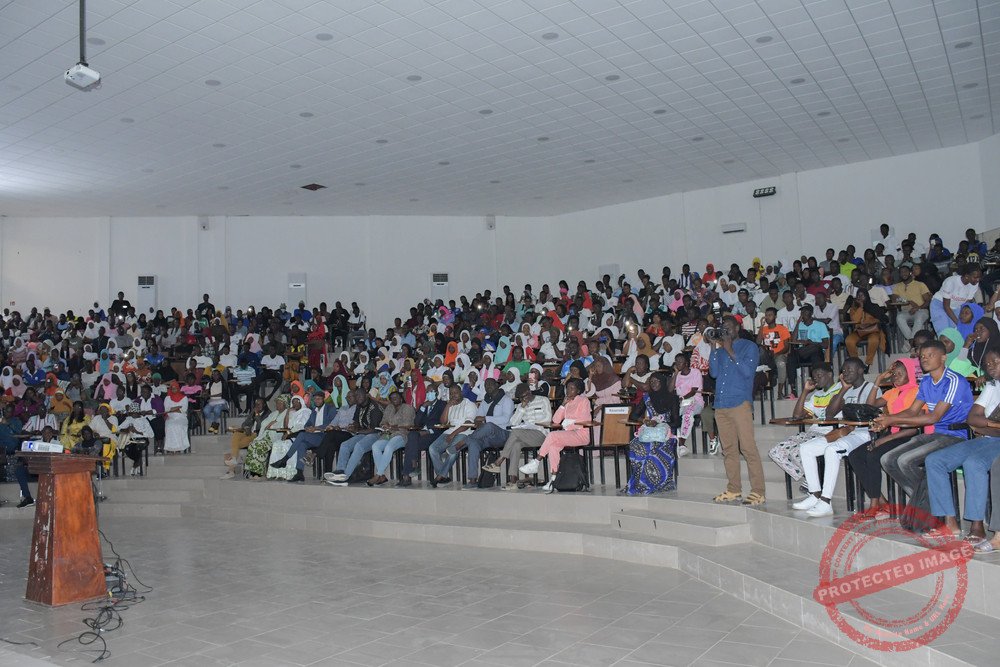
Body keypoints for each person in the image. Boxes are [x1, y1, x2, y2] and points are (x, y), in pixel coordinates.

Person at [874, 340, 974, 528]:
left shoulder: (954, 381)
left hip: (955, 436)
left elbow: (934, 417)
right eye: (922, 356)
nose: (924, 359)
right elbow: (912, 411)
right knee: (887, 459)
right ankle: (924, 503)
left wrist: (892, 420)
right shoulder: (927, 381)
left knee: (905, 461)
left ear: (943, 357)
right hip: (936, 435)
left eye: (930, 355)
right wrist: (887, 419)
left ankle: (925, 506)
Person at [925, 348, 1000, 545]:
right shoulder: (992, 386)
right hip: (985, 438)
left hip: (994, 441)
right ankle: (949, 522)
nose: (991, 366)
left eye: (996, 361)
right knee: (935, 460)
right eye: (987, 363)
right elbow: (972, 418)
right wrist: (992, 425)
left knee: (974, 463)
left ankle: (977, 525)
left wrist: (985, 424)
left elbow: (979, 422)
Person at [792, 358, 880, 518]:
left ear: (861, 371)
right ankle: (815, 495)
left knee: (832, 450)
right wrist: (843, 390)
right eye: (844, 370)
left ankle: (826, 502)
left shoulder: (870, 388)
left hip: (864, 433)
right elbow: (830, 414)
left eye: (849, 370)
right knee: (806, 448)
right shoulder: (845, 389)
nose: (845, 373)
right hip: (847, 431)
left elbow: (869, 412)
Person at [847, 358, 924, 515]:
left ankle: (875, 503)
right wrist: (878, 381)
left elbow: (915, 427)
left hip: (909, 435)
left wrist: (883, 439)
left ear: (910, 374)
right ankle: (881, 500)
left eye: (900, 373)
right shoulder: (892, 392)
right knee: (854, 455)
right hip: (892, 434)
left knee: (873, 455)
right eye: (894, 374)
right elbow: (869, 406)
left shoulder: (917, 392)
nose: (895, 377)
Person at [710, 315, 766, 506]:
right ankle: (734, 489)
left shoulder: (748, 346)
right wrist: (713, 348)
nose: (725, 331)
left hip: (740, 403)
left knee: (748, 448)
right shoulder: (720, 350)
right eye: (722, 328)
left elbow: (748, 372)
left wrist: (730, 350)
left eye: (728, 327)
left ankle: (758, 491)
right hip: (721, 405)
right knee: (729, 450)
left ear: (737, 328)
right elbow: (713, 373)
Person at [769, 363, 842, 485]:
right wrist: (805, 391)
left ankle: (813, 483)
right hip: (814, 432)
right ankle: (812, 478)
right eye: (814, 377)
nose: (816, 379)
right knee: (776, 452)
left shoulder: (840, 389)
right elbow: (797, 415)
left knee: (798, 451)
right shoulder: (816, 395)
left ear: (830, 375)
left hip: (831, 432)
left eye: (819, 375)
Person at [519, 377, 591, 493]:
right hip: (568, 434)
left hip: (581, 434)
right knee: (553, 447)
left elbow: (585, 419)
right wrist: (563, 405)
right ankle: (554, 479)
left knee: (552, 436)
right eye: (567, 388)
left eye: (572, 388)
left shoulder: (584, 401)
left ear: (578, 390)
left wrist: (570, 423)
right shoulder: (567, 401)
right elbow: (556, 420)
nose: (569, 391)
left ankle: (536, 461)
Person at [482, 382, 553, 489]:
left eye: (524, 396)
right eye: (520, 398)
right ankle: (513, 480)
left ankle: (498, 462)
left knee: (515, 432)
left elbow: (548, 419)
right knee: (515, 445)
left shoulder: (543, 400)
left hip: (542, 434)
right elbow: (513, 423)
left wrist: (532, 424)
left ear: (529, 392)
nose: (523, 399)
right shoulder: (521, 405)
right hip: (526, 435)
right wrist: (522, 408)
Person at [624, 371, 679, 495]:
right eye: (651, 381)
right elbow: (633, 416)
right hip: (649, 433)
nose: (653, 384)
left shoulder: (672, 398)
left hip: (665, 435)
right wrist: (645, 420)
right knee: (635, 446)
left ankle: (654, 483)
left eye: (656, 381)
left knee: (651, 448)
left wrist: (661, 423)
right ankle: (638, 483)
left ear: (662, 382)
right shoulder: (647, 397)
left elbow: (676, 422)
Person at [459, 372, 515, 487]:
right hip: (488, 436)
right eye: (485, 386)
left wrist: (485, 419)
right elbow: (478, 419)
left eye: (490, 385)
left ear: (497, 385)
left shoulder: (506, 400)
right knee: (473, 443)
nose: (488, 387)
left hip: (503, 434)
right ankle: (473, 479)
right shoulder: (485, 401)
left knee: (489, 425)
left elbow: (505, 419)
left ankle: (465, 440)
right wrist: (480, 421)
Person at [270, 391, 338, 482]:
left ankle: (284, 460)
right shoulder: (314, 410)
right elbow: (307, 424)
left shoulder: (330, 408)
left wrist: (316, 428)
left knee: (301, 435)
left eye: (319, 399)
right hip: (314, 436)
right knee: (301, 444)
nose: (317, 401)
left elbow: (331, 423)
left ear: (323, 399)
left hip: (325, 436)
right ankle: (299, 473)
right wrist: (308, 428)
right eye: (315, 399)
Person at [323, 391, 384, 486]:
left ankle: (346, 477)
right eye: (356, 395)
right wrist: (353, 426)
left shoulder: (374, 408)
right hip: (363, 433)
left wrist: (357, 431)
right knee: (345, 445)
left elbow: (373, 429)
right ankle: (340, 471)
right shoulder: (359, 406)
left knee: (359, 446)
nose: (357, 397)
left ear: (366, 395)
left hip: (376, 435)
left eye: (359, 394)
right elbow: (356, 421)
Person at [426, 385, 478, 486]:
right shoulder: (451, 405)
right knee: (432, 448)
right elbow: (443, 422)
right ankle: (442, 475)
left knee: (453, 450)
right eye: (451, 393)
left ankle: (440, 476)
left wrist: (453, 434)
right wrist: (447, 406)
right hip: (449, 431)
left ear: (461, 392)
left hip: (464, 433)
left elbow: (467, 425)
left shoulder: (469, 404)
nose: (453, 395)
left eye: (456, 392)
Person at [368, 390, 416, 486]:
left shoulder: (407, 408)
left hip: (402, 434)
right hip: (388, 434)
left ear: (401, 399)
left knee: (389, 447)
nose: (394, 400)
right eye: (392, 398)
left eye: (396, 397)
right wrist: (384, 425)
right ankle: (381, 476)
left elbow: (407, 424)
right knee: (375, 446)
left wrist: (392, 426)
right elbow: (383, 421)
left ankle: (378, 475)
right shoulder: (389, 408)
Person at [786, 304, 829, 397]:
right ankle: (793, 389)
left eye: (806, 311)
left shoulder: (820, 325)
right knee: (790, 358)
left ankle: (819, 386)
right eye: (802, 311)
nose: (803, 313)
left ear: (811, 313)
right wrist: (797, 323)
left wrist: (811, 343)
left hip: (816, 353)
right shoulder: (800, 325)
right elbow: (793, 340)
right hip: (802, 353)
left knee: (815, 350)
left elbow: (826, 344)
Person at [222, 398, 270, 479]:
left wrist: (257, 415)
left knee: (236, 445)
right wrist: (246, 427)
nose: (257, 406)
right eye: (256, 404)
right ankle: (233, 458)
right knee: (236, 434)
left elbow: (261, 427)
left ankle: (231, 470)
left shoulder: (268, 414)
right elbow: (244, 423)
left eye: (259, 404)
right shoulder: (253, 412)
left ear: (264, 405)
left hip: (257, 435)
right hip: (248, 433)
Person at [266, 395, 311, 481]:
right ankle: (277, 473)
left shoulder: (305, 412)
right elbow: (286, 426)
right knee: (276, 444)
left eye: (297, 401)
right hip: (290, 434)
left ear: (301, 402)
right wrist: (287, 412)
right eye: (293, 402)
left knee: (285, 445)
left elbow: (301, 425)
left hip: (299, 435)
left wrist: (289, 432)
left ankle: (289, 473)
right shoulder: (293, 412)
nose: (295, 404)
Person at [930, 264, 981, 333]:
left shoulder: (974, 284)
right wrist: (958, 323)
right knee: (944, 331)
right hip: (940, 304)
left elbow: (966, 303)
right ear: (966, 276)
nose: (978, 280)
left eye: (979, 277)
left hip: (957, 307)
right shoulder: (950, 282)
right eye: (975, 277)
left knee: (956, 332)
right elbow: (946, 306)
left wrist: (963, 320)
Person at [669, 352, 702, 456]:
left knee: (687, 414)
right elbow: (670, 390)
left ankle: (681, 442)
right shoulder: (677, 375)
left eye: (680, 361)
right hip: (681, 403)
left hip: (694, 401)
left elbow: (693, 391)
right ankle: (676, 441)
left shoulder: (696, 372)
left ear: (686, 363)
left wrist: (682, 398)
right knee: (671, 415)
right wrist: (675, 373)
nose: (678, 363)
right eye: (676, 361)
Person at [844, 288, 886, 370]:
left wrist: (868, 323)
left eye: (862, 295)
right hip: (859, 331)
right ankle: (857, 363)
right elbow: (856, 320)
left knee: (874, 340)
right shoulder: (854, 308)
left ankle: (867, 364)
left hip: (872, 330)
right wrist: (861, 307)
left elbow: (880, 319)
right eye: (858, 296)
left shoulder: (874, 306)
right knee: (848, 340)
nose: (859, 297)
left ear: (866, 296)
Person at [893, 265, 931, 341]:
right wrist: (908, 301)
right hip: (905, 311)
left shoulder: (920, 284)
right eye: (901, 272)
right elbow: (895, 300)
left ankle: (912, 341)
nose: (904, 274)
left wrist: (918, 308)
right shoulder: (897, 286)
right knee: (899, 317)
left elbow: (928, 301)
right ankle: (913, 341)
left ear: (910, 273)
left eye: (906, 271)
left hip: (921, 310)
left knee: (919, 318)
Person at [162, 381, 190, 453]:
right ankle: (171, 448)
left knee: (178, 426)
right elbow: (167, 410)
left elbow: (183, 410)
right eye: (172, 388)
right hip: (170, 417)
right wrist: (177, 407)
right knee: (170, 426)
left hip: (181, 417)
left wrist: (172, 409)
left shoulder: (184, 398)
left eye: (175, 388)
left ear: (178, 389)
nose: (174, 390)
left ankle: (179, 447)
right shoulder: (167, 398)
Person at [201, 369, 230, 434]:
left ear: (219, 375)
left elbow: (222, 394)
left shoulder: (223, 383)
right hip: (212, 401)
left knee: (217, 410)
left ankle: (214, 424)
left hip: (222, 401)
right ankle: (215, 423)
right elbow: (207, 391)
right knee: (205, 410)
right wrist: (204, 393)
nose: (215, 376)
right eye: (213, 375)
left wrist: (211, 395)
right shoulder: (210, 383)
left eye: (216, 375)